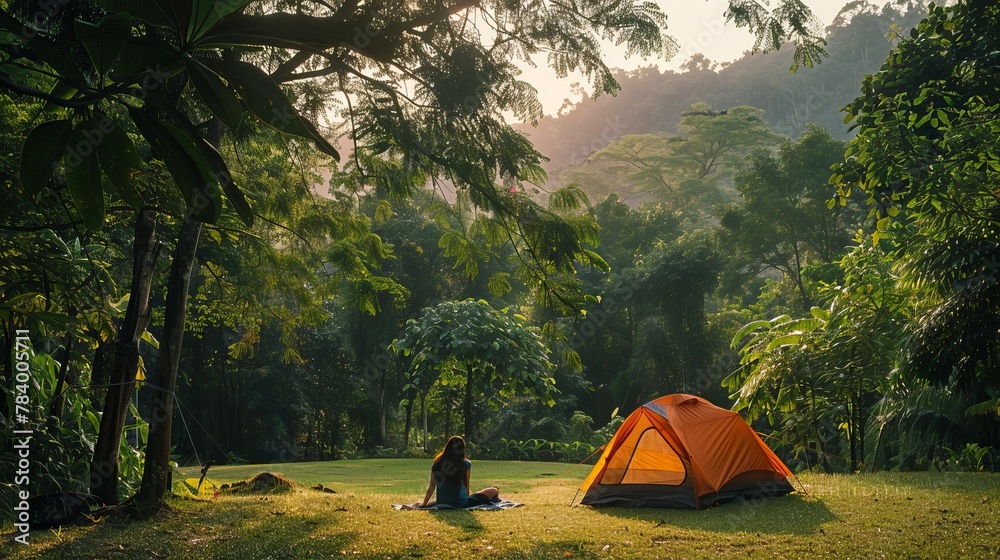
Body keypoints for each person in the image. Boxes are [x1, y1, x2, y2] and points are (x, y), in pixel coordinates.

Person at [410, 436, 499, 508]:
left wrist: (424, 503)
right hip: (460, 503)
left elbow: (432, 487)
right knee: (494, 490)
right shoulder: (466, 463)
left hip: (442, 502)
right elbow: (466, 484)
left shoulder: (437, 462)